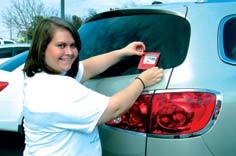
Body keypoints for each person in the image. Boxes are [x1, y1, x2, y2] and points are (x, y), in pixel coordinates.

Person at [22, 17, 164, 156]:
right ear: (42, 48)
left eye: (73, 45)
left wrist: (122, 52)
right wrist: (142, 81)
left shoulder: (37, 75)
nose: (70, 52)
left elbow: (88, 67)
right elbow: (115, 108)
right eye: (61, 45)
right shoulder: (57, 88)